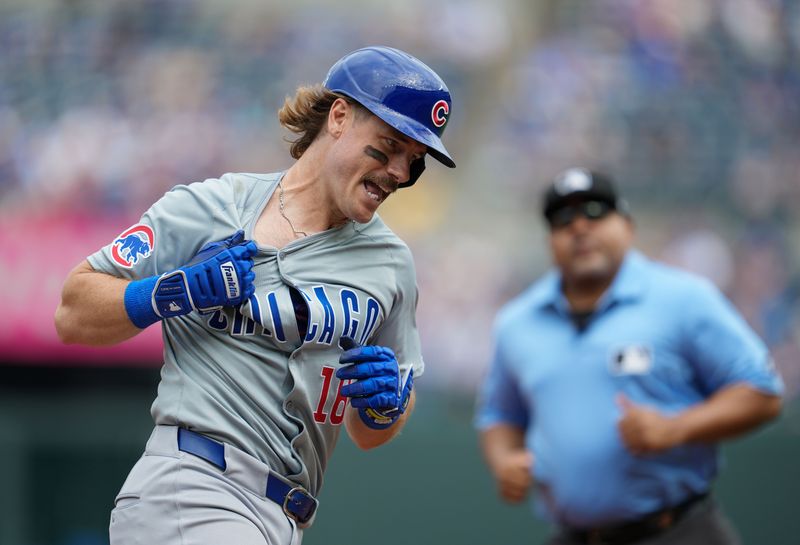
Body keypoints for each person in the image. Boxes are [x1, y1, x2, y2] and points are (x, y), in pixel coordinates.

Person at [54, 45, 455, 545]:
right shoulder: (210, 207)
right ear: (339, 116)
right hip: (192, 485)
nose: (399, 172)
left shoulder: (390, 265)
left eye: (414, 162)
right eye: (388, 146)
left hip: (284, 517)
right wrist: (171, 293)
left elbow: (370, 432)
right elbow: (73, 311)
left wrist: (385, 408)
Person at [475, 168, 783, 545]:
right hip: (573, 535)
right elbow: (500, 415)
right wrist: (505, 461)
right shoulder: (518, 322)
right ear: (550, 239)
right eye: (563, 219)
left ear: (628, 225)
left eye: (595, 211)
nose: (580, 228)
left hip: (678, 531)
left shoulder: (683, 299)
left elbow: (763, 392)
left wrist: (676, 427)